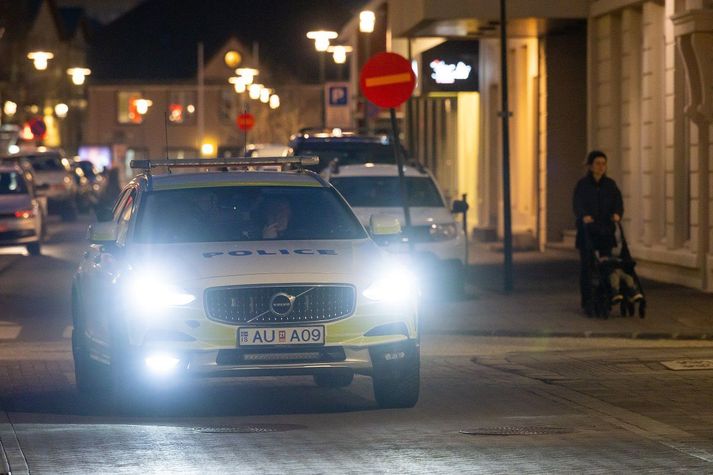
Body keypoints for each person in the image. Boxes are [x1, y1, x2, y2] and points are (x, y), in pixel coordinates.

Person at [573, 150, 623, 315]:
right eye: (598, 164)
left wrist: (617, 214)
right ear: (591, 166)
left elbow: (618, 202)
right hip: (588, 232)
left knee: (606, 265)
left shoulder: (610, 185)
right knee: (587, 266)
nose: (601, 167)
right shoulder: (583, 185)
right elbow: (577, 204)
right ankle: (588, 300)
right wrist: (583, 216)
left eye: (603, 164)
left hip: (605, 231)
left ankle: (606, 297)